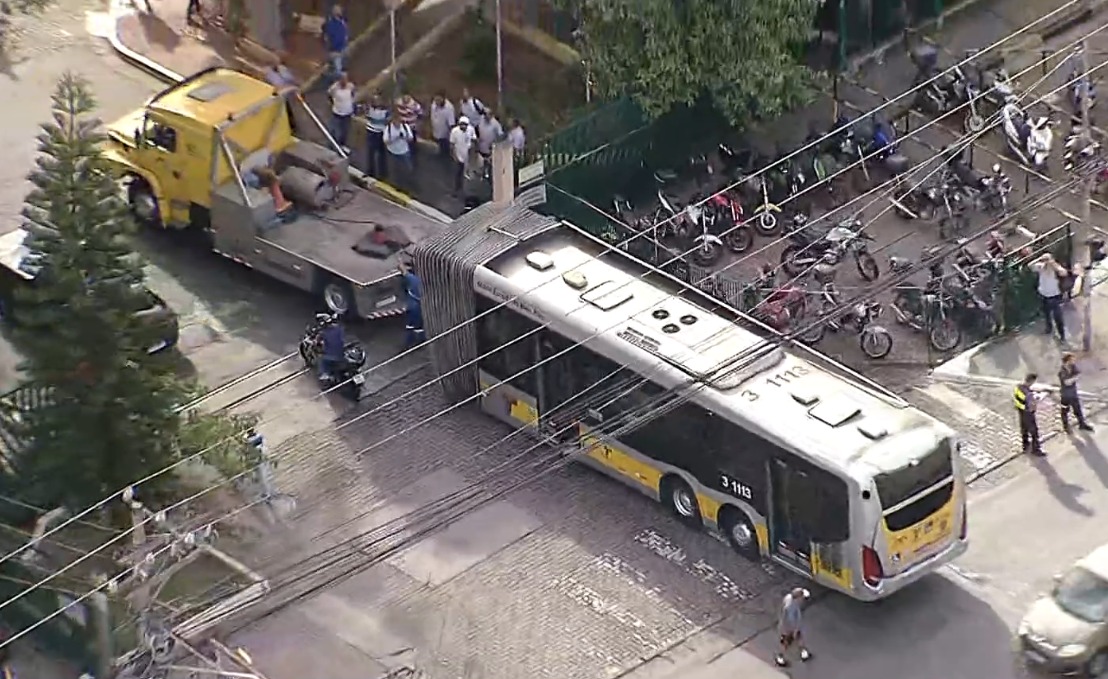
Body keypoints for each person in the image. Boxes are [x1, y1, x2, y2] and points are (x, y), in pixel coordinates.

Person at [1030, 253, 1068, 341]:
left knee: (1057, 316)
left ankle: (1062, 335)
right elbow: (1030, 265)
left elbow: (1064, 273)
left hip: (1054, 295)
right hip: (1043, 294)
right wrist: (1039, 258)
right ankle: (1049, 328)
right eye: (1045, 260)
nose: (1046, 262)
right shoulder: (1041, 267)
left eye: (1047, 259)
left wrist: (1052, 263)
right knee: (1046, 313)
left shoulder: (1055, 268)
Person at [775, 587, 812, 668]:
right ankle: (780, 657)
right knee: (787, 643)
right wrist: (794, 630)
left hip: (788, 627)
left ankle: (803, 651)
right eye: (802, 597)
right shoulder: (790, 606)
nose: (803, 599)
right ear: (798, 598)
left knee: (798, 639)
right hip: (789, 629)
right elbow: (791, 620)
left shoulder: (789, 598)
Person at [1059, 352, 1094, 433]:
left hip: (1073, 393)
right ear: (1067, 361)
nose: (1073, 361)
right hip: (1065, 395)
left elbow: (1078, 374)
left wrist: (1074, 378)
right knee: (1065, 410)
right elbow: (1067, 382)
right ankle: (1066, 426)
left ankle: (1082, 424)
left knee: (1077, 409)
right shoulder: (1062, 371)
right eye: (1072, 360)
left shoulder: (1073, 367)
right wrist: (1075, 378)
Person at [1014, 373, 1045, 456]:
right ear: (1031, 381)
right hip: (1028, 413)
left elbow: (1021, 397)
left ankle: (1025, 445)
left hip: (1021, 411)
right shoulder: (1029, 394)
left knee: (1024, 430)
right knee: (1034, 432)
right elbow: (1032, 402)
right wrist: (1041, 396)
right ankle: (1036, 450)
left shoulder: (1018, 387)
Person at [383, 115, 415, 189]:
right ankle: (395, 186)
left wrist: (404, 136)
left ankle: (408, 185)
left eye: (398, 121)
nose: (397, 123)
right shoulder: (389, 128)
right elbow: (385, 141)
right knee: (394, 170)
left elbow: (410, 138)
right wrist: (395, 138)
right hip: (393, 152)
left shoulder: (405, 127)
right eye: (395, 121)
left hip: (404, 151)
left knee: (408, 169)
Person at [364, 93, 390, 179]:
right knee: (371, 152)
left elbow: (388, 120)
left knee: (381, 153)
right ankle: (371, 171)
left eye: (378, 100)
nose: (377, 102)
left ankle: (382, 173)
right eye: (375, 100)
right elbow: (367, 116)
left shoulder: (386, 111)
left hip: (381, 133)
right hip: (371, 131)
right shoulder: (369, 108)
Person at [327, 73, 356, 149]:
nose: (344, 81)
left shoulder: (351, 86)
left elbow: (353, 95)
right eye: (343, 79)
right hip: (337, 113)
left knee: (345, 131)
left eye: (346, 79)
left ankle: (342, 145)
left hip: (348, 113)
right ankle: (332, 145)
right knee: (336, 130)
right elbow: (329, 95)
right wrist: (333, 104)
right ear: (339, 80)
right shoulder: (334, 88)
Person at [449, 116, 476, 194]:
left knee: (467, 174)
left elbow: (474, 140)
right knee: (457, 173)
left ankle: (466, 191)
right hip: (458, 155)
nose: (463, 126)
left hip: (468, 155)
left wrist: (473, 154)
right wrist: (454, 156)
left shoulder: (471, 129)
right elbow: (452, 145)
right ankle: (456, 189)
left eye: (465, 125)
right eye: (462, 124)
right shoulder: (454, 131)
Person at [401, 262, 425, 346]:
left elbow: (404, 272)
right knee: (420, 326)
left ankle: (409, 343)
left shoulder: (413, 279)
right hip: (420, 306)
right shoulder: (422, 281)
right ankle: (422, 340)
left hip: (412, 306)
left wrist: (400, 261)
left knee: (410, 325)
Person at [322, 5, 349, 77]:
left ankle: (330, 72)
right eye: (338, 11)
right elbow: (328, 37)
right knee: (338, 71)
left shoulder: (342, 23)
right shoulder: (332, 24)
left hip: (340, 49)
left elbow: (345, 36)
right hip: (336, 50)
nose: (339, 12)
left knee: (338, 69)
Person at [430, 93, 456, 158]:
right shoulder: (434, 104)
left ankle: (446, 157)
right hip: (436, 131)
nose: (436, 102)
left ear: (443, 98)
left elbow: (451, 123)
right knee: (439, 144)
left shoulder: (449, 108)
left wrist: (451, 137)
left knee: (445, 147)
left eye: (439, 100)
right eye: (436, 100)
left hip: (444, 134)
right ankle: (440, 153)